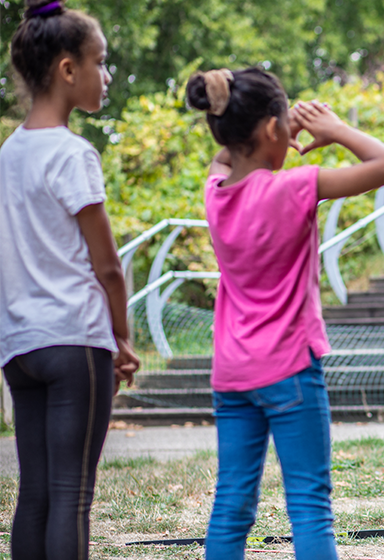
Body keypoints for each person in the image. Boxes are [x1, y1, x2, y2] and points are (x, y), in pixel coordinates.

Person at [186, 67, 384, 560]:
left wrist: (267, 122)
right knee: (308, 502)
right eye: (283, 124)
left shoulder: (215, 193)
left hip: (232, 373)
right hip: (289, 369)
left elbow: (227, 153)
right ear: (270, 130)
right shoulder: (295, 186)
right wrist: (333, 129)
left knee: (231, 503)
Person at [0, 1, 140, 559]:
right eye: (99, 63)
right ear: (66, 69)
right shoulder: (73, 153)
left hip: (19, 345)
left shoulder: (7, 155)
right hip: (75, 340)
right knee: (72, 495)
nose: (104, 76)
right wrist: (122, 338)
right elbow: (107, 267)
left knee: (33, 494)